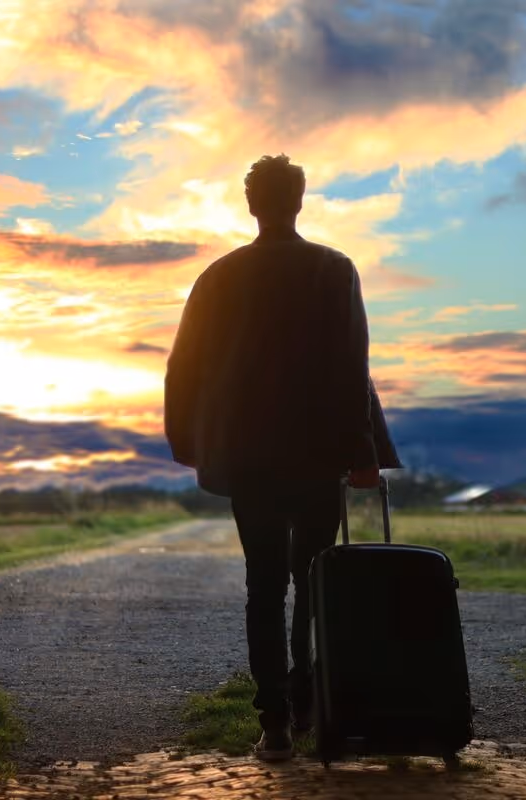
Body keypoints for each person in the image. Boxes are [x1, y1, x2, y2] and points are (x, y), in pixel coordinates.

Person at [164, 154, 401, 761]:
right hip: (318, 454)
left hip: (248, 457)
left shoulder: (218, 277)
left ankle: (273, 726)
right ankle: (304, 704)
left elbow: (183, 365)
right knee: (315, 581)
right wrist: (363, 452)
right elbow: (354, 367)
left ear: (252, 205)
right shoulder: (333, 268)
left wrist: (189, 443)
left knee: (263, 587)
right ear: (299, 200)